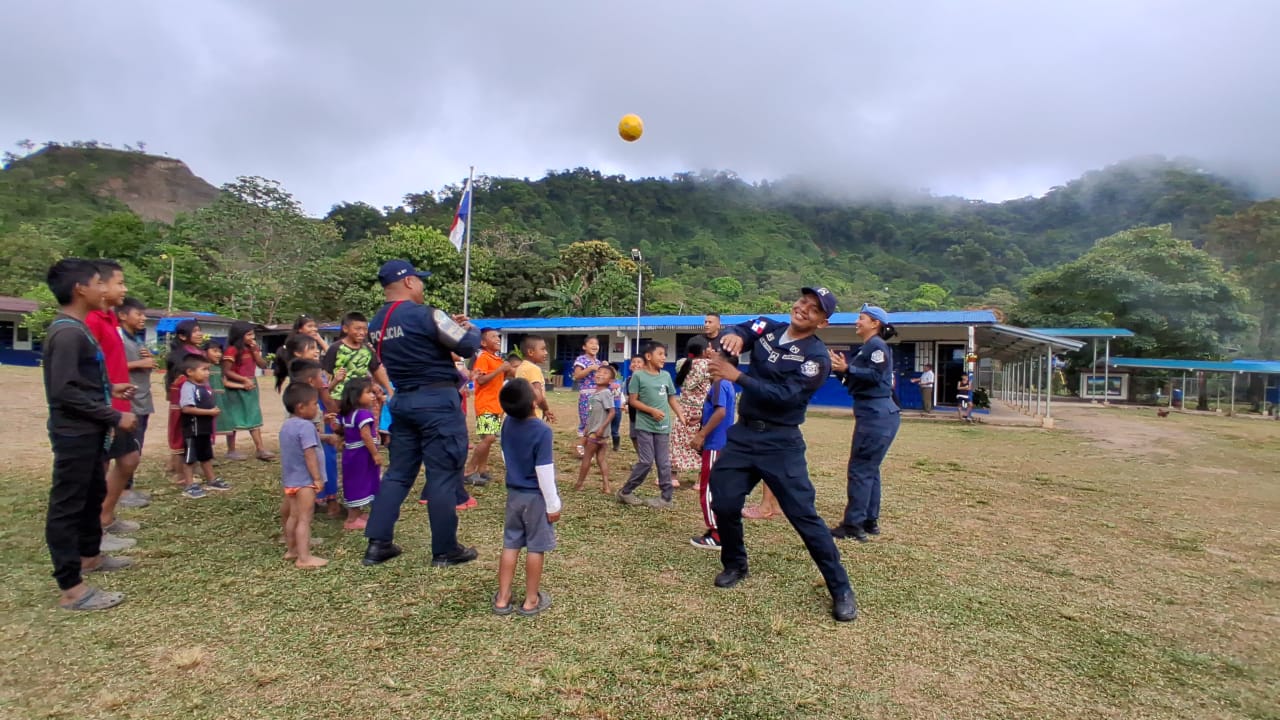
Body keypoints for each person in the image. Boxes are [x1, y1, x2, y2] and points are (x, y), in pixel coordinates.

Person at [706, 287, 858, 622]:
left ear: (822, 322)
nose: (803, 309)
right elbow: (740, 329)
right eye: (803, 301)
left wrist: (737, 376)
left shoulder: (816, 358)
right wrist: (732, 337)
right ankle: (735, 564)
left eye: (814, 309)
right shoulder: (769, 328)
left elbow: (785, 396)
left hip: (781, 442)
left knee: (804, 516)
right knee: (725, 502)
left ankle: (841, 588)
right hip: (744, 434)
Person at [362, 259, 481, 568]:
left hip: (403, 401)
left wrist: (447, 327)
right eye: (420, 280)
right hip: (437, 402)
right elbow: (467, 346)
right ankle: (445, 549)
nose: (422, 286)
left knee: (398, 474)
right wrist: (468, 328)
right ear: (409, 282)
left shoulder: (376, 324)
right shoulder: (425, 314)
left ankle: (378, 544)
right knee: (442, 474)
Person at [42, 259, 137, 611]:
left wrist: (110, 388)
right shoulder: (67, 333)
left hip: (90, 431)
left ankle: (90, 556)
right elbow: (64, 391)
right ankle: (71, 588)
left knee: (91, 494)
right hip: (75, 434)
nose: (104, 289)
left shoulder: (77, 329)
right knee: (68, 506)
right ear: (80, 289)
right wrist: (114, 414)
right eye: (99, 282)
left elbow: (79, 382)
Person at [829, 304, 901, 543]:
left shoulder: (876, 346)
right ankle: (869, 521)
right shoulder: (868, 348)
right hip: (878, 413)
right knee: (870, 468)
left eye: (861, 318)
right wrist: (841, 371)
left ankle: (853, 525)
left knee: (860, 469)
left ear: (875, 323)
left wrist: (847, 368)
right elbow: (856, 382)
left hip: (875, 414)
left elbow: (875, 376)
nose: (856, 322)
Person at [492, 378, 561, 617]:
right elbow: (544, 472)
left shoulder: (507, 423)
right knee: (535, 547)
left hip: (514, 494)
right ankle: (531, 600)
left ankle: (503, 598)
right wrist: (553, 505)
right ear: (533, 402)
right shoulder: (542, 431)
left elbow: (505, 455)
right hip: (535, 498)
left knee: (510, 543)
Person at [84, 260, 140, 551]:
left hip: (119, 404)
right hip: (104, 408)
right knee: (102, 467)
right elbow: (88, 367)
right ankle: (95, 528)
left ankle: (105, 516)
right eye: (119, 283)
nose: (124, 289)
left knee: (129, 459)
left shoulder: (110, 318)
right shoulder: (90, 321)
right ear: (100, 285)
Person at [617, 341, 685, 509]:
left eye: (664, 354)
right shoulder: (638, 376)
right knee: (646, 461)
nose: (664, 357)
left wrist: (681, 415)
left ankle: (666, 498)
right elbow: (633, 401)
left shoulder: (666, 376)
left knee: (664, 463)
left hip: (663, 427)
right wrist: (651, 411)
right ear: (648, 356)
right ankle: (626, 491)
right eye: (660, 354)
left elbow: (671, 398)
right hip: (644, 426)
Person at [278, 383, 329, 569]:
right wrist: (317, 478)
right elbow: (309, 454)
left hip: (291, 480)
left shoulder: (286, 426)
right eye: (314, 404)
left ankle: (292, 550)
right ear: (301, 407)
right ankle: (304, 558)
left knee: (293, 516)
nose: (317, 408)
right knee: (305, 519)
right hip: (305, 482)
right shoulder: (306, 426)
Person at [689, 366, 736, 550]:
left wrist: (701, 434)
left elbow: (720, 412)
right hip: (723, 444)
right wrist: (701, 418)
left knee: (709, 489)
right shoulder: (727, 384)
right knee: (720, 489)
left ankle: (717, 534)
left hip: (715, 444)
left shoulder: (718, 384)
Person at [116, 297, 154, 510]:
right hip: (128, 402)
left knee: (136, 445)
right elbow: (111, 366)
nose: (143, 318)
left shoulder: (137, 339)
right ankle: (121, 491)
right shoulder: (118, 337)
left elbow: (141, 365)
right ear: (122, 315)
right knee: (128, 448)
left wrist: (147, 361)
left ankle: (127, 486)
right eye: (138, 314)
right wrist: (140, 362)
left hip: (142, 400)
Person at [464, 328, 510, 486]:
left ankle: (482, 470)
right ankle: (468, 471)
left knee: (488, 439)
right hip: (486, 405)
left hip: (495, 405)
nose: (498, 339)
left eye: (498, 336)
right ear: (483, 342)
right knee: (489, 438)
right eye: (493, 337)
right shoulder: (483, 357)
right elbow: (481, 380)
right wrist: (500, 369)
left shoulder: (496, 359)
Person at [222, 321, 274, 461]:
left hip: (251, 384)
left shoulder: (252, 348)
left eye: (253, 334)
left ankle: (260, 449)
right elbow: (227, 371)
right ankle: (231, 450)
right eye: (249, 334)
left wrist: (256, 352)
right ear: (240, 335)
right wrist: (243, 380)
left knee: (254, 414)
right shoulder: (232, 350)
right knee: (233, 418)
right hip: (236, 386)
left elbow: (262, 365)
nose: (252, 337)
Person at [178, 355, 229, 498]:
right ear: (190, 372)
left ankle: (211, 480)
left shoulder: (205, 387)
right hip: (193, 429)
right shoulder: (188, 387)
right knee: (190, 458)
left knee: (206, 456)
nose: (207, 373)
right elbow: (186, 408)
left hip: (204, 429)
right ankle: (189, 485)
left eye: (208, 370)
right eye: (204, 369)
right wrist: (209, 412)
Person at [338, 377, 381, 531]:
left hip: (351, 454)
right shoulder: (363, 414)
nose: (373, 396)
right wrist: (375, 454)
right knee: (360, 483)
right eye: (368, 392)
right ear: (356, 396)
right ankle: (351, 519)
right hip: (362, 455)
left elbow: (341, 429)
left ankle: (357, 513)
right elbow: (366, 436)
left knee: (354, 482)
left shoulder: (348, 414)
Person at [322, 311, 393, 403]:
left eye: (365, 329)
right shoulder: (335, 348)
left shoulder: (367, 349)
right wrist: (327, 401)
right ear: (345, 329)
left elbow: (377, 369)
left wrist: (389, 390)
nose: (362, 332)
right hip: (339, 399)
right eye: (357, 329)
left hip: (361, 399)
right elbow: (326, 375)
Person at [164, 321, 204, 480]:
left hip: (198, 396)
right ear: (182, 336)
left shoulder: (199, 352)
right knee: (182, 432)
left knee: (195, 430)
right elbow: (175, 380)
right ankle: (180, 471)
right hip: (185, 399)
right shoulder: (179, 356)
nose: (199, 334)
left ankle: (191, 462)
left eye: (199, 330)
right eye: (195, 331)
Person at [671, 336, 713, 477]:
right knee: (702, 443)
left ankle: (673, 476)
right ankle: (700, 478)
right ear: (704, 350)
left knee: (678, 441)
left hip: (683, 409)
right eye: (709, 347)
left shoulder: (682, 364)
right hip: (701, 411)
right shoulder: (708, 365)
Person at [575, 365, 617, 493]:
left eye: (605, 373)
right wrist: (587, 428)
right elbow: (592, 414)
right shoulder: (595, 394)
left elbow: (612, 412)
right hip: (593, 430)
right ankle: (606, 486)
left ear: (610, 381)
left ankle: (579, 484)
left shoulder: (605, 393)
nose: (600, 374)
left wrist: (601, 428)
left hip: (597, 433)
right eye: (599, 372)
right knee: (600, 459)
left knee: (587, 457)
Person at [571, 337, 603, 456]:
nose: (594, 345)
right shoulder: (581, 360)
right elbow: (577, 375)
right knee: (587, 421)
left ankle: (590, 446)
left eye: (597, 343)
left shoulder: (599, 362)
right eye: (591, 343)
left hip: (599, 395)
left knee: (597, 421)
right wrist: (590, 368)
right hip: (587, 395)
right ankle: (580, 445)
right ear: (584, 347)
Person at [514, 335, 555, 422]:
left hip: (521, 414)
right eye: (543, 349)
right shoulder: (533, 369)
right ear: (530, 352)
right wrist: (546, 409)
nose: (546, 353)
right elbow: (538, 395)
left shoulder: (521, 368)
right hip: (533, 415)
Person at [626, 354, 644, 450]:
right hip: (633, 414)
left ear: (645, 366)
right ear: (630, 366)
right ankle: (640, 456)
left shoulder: (646, 379)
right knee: (633, 436)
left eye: (639, 362)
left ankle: (646, 456)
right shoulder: (629, 380)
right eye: (633, 362)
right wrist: (626, 403)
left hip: (643, 414)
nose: (636, 364)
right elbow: (630, 395)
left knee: (643, 437)